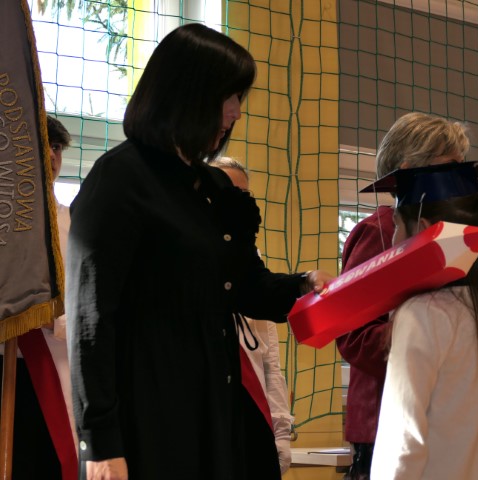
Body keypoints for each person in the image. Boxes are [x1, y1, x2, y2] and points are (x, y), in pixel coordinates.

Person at [65, 24, 331, 480]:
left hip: (216, 408)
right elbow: (90, 323)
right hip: (148, 417)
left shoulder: (215, 187)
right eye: (230, 97)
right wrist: (100, 443)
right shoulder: (119, 180)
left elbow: (245, 285)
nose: (237, 113)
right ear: (189, 94)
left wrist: (304, 285)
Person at [336, 112, 470, 479]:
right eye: (450, 165)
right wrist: (423, 337)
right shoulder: (378, 231)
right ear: (410, 171)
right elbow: (353, 336)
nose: (461, 178)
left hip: (443, 419)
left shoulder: (454, 236)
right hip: (387, 427)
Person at [368, 159, 478, 478]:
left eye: (397, 225)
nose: (393, 240)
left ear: (424, 230)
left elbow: (401, 446)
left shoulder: (421, 315)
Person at [0, 115, 77, 480]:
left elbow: (91, 303)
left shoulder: (77, 225)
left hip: (51, 370)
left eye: (56, 146)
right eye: (40, 144)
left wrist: (53, 318)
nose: (50, 155)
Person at [210, 157, 293, 475]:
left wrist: (281, 432)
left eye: (243, 193)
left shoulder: (250, 263)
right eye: (227, 189)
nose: (236, 200)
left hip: (251, 411)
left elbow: (269, 360)